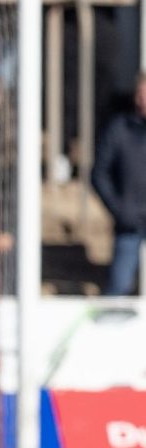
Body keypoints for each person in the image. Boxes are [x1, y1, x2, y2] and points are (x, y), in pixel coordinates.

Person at [91, 73, 146, 296]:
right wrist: (119, 208)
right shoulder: (119, 129)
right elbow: (99, 174)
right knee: (119, 287)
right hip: (129, 224)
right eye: (142, 94)